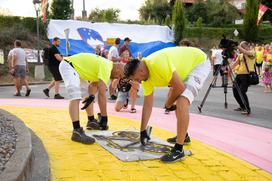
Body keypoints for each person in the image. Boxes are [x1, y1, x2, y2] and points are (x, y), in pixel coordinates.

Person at [124, 47, 210, 163]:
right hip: (183, 69)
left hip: (198, 63)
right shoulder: (146, 79)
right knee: (176, 98)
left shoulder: (157, 63)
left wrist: (168, 104)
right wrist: (143, 130)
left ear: (141, 71)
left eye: (136, 79)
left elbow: (179, 87)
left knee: (182, 101)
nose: (138, 82)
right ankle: (184, 136)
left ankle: (179, 150)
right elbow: (147, 105)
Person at [59, 53, 124, 144]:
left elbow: (93, 85)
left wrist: (92, 95)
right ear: (117, 68)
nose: (118, 78)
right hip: (69, 66)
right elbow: (101, 95)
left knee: (87, 96)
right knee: (75, 96)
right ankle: (77, 131)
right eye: (119, 75)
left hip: (77, 69)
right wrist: (104, 117)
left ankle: (91, 120)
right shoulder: (107, 67)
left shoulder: (106, 66)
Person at [230, 41, 256, 115]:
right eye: (240, 46)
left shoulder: (252, 53)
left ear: (247, 46)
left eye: (242, 46)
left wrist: (237, 45)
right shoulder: (240, 55)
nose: (240, 48)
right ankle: (242, 106)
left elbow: (245, 51)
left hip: (246, 75)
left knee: (242, 92)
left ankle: (247, 109)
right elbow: (235, 63)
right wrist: (227, 68)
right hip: (239, 75)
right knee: (235, 91)